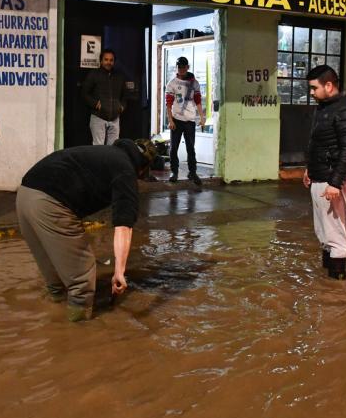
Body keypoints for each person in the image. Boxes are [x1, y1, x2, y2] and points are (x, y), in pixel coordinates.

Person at [16, 138, 157, 322]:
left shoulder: (104, 154)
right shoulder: (126, 170)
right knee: (82, 278)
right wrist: (119, 272)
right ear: (143, 168)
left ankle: (51, 320)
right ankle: (78, 336)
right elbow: (123, 227)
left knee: (56, 279)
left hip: (25, 195)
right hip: (49, 203)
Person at [303, 65, 346, 280]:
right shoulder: (325, 107)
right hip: (322, 177)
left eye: (314, 88)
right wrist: (310, 169)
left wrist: (336, 183)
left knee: (336, 236)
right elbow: (318, 142)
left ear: (329, 86)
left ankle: (336, 290)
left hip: (335, 181)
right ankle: (327, 283)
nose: (311, 93)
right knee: (324, 232)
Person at [165, 56, 205, 185]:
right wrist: (170, 120)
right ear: (177, 68)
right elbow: (168, 104)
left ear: (187, 67)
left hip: (190, 120)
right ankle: (174, 172)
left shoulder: (195, 83)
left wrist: (202, 117)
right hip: (176, 120)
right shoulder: (172, 84)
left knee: (190, 148)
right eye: (179, 67)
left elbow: (198, 101)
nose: (181, 69)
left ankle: (192, 172)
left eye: (183, 67)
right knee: (173, 148)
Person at [82, 49, 128, 145]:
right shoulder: (94, 74)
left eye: (111, 60)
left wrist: (121, 106)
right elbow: (84, 92)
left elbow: (125, 95)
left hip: (115, 118)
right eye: (106, 59)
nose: (109, 62)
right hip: (98, 117)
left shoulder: (119, 76)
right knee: (98, 149)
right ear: (101, 61)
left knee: (113, 149)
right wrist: (95, 104)